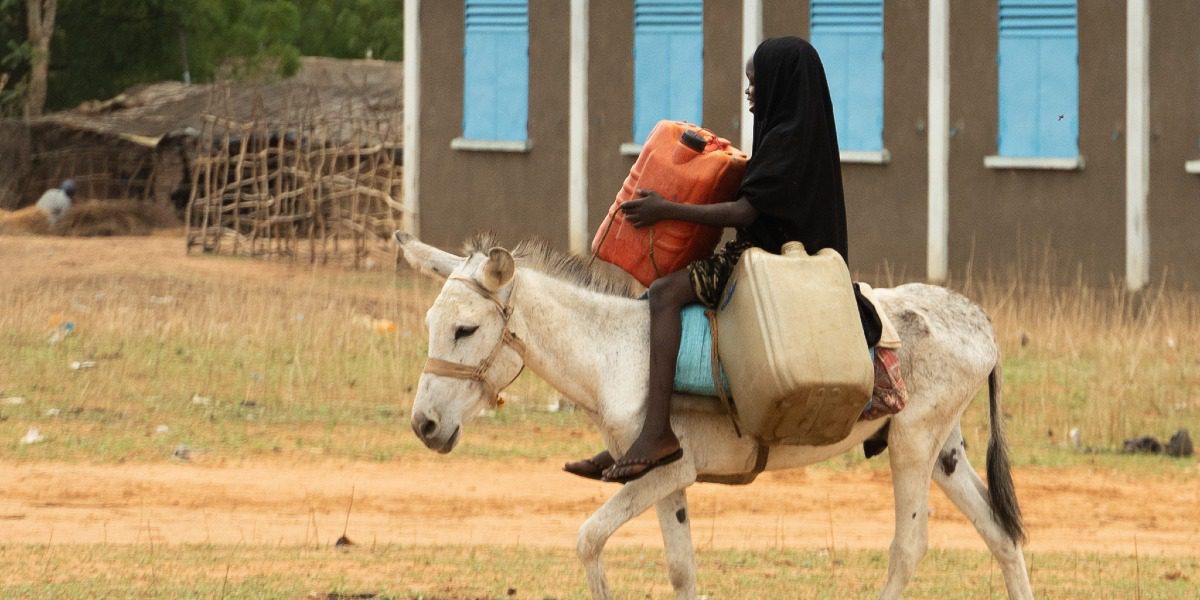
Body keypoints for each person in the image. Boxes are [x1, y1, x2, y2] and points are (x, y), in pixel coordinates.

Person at [565, 36, 905, 483]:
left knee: (664, 295)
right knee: (661, 293)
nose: (749, 92)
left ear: (780, 84)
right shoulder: (796, 129)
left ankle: (656, 434)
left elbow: (747, 212)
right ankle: (635, 436)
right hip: (774, 257)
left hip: (763, 263)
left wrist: (665, 209)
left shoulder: (785, 139)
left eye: (755, 82)